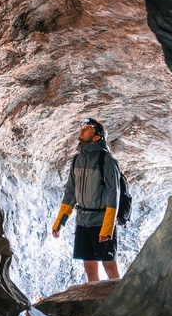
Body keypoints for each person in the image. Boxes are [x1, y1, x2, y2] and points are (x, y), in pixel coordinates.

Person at [51, 117, 120, 282]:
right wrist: (59, 222)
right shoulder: (77, 160)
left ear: (97, 137)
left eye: (88, 128)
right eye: (83, 126)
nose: (83, 129)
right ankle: (94, 298)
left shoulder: (107, 160)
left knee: (109, 266)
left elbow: (114, 195)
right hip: (82, 221)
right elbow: (70, 193)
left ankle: (120, 296)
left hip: (101, 221)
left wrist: (107, 229)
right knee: (89, 267)